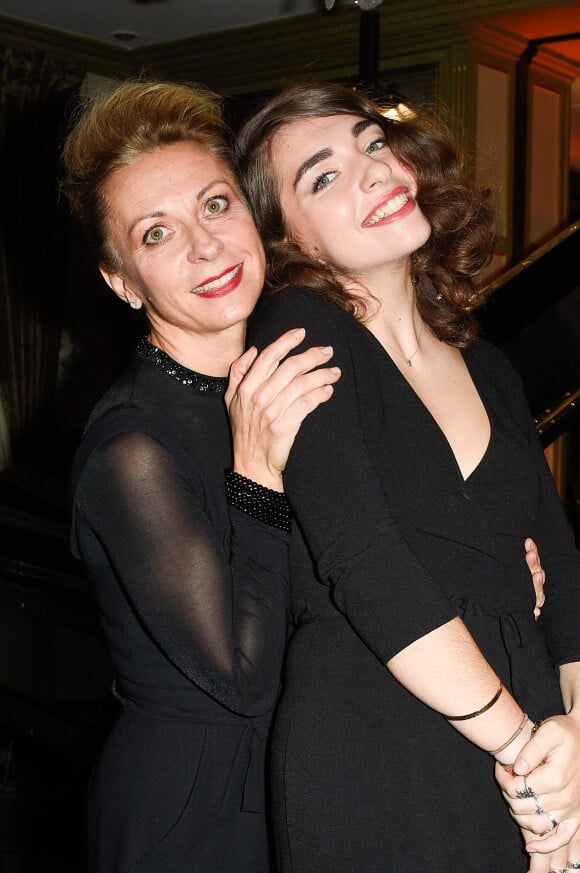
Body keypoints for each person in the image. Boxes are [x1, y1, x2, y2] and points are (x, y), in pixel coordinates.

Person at [236, 82, 580, 873]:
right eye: (323, 177)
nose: (373, 170)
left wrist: (573, 746)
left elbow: (560, 569)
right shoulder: (303, 324)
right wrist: (529, 753)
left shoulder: (491, 367)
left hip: (524, 728)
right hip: (378, 739)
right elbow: (366, 561)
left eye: (373, 144)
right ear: (291, 241)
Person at [61, 80, 341, 873]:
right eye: (157, 233)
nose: (205, 246)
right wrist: (254, 469)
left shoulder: (285, 370)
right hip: (195, 816)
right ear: (123, 281)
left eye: (216, 205)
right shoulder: (131, 452)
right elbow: (245, 677)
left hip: (306, 780)